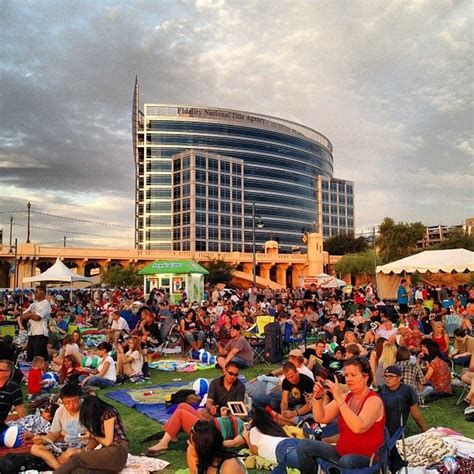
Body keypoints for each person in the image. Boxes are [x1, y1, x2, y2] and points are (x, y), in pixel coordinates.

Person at [296, 357, 386, 473]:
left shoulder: (374, 401)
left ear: (365, 377)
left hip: (367, 458)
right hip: (341, 452)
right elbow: (321, 418)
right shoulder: (346, 397)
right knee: (304, 446)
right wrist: (318, 397)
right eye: (346, 375)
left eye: (353, 375)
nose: (348, 379)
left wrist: (339, 399)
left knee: (346, 461)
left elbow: (358, 427)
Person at [54, 395, 129, 474]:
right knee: (77, 471)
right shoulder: (99, 417)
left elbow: (108, 442)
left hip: (117, 450)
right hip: (113, 460)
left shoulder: (108, 413)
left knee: (76, 459)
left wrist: (91, 435)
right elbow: (98, 440)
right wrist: (85, 449)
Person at [145, 403, 246, 456]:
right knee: (183, 406)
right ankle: (173, 435)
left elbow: (234, 443)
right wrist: (224, 417)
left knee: (180, 413)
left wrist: (212, 443)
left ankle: (164, 443)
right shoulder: (245, 423)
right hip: (211, 423)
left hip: (209, 432)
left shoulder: (247, 432)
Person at [380, 365, 427, 472]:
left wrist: (425, 431)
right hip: (381, 428)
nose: (387, 379)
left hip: (395, 431)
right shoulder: (382, 390)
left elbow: (416, 414)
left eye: (391, 376)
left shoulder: (407, 391)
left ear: (399, 378)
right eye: (386, 376)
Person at [30, 383, 87, 470]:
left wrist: (86, 449)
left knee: (70, 454)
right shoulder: (60, 411)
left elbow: (95, 437)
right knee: (35, 448)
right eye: (67, 402)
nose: (71, 406)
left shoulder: (88, 409)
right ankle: (59, 468)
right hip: (67, 443)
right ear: (62, 401)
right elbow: (53, 434)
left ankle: (55, 464)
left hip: (83, 445)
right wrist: (43, 440)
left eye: (75, 401)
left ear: (80, 398)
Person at [247, 406, 301, 473]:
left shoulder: (254, 430)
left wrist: (246, 434)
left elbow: (254, 451)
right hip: (292, 443)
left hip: (283, 450)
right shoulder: (276, 428)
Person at [22, 285, 51, 361]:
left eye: (36, 292)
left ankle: (42, 372)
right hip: (31, 333)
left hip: (40, 334)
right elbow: (23, 316)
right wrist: (32, 314)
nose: (34, 293)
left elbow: (37, 318)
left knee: (39, 358)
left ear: (42, 293)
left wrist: (30, 314)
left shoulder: (46, 304)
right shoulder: (33, 304)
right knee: (30, 358)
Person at [0, 359, 27, 437]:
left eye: (0, 370)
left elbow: (21, 411)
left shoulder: (13, 387)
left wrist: (25, 429)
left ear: (7, 373)